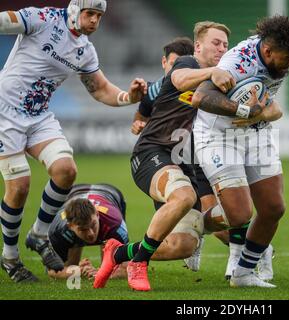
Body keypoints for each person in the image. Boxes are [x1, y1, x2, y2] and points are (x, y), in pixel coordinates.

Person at [192, 15, 289, 288]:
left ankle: (243, 274)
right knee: (240, 215)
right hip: (218, 136)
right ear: (267, 51)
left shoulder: (281, 46)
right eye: (286, 60)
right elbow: (200, 97)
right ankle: (192, 226)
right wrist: (246, 110)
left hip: (257, 133)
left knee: (273, 208)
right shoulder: (237, 63)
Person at [0, 0, 147, 283]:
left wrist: (129, 98)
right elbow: (6, 21)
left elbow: (100, 89)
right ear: (74, 10)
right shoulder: (41, 18)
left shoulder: (84, 50)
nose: (94, 20)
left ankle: (38, 235)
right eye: (89, 13)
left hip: (38, 116)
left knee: (66, 170)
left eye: (99, 16)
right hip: (5, 113)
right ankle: (10, 258)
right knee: (19, 187)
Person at [93, 21, 238, 292]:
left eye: (225, 45)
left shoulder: (220, 80)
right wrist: (215, 72)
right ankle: (140, 263)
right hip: (152, 153)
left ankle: (119, 254)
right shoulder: (188, 64)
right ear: (198, 46)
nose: (221, 48)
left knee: (183, 245)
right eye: (216, 43)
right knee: (184, 197)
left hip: (187, 165)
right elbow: (179, 80)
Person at [130, 37, 275, 278]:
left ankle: (254, 249)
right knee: (186, 225)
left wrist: (255, 112)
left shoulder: (218, 83)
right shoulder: (160, 86)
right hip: (172, 160)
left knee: (221, 219)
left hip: (202, 159)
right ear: (165, 63)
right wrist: (138, 122)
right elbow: (143, 109)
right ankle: (141, 257)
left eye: (223, 45)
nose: (178, 69)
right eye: (174, 64)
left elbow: (266, 106)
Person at [48, 183, 209, 280]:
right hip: (73, 194)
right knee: (71, 263)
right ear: (70, 226)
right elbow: (53, 272)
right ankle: (77, 250)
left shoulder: (114, 224)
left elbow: (124, 268)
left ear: (97, 215)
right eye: (83, 229)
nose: (90, 233)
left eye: (93, 225)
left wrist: (102, 271)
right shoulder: (57, 231)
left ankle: (88, 242)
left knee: (110, 260)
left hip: (110, 193)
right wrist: (77, 271)